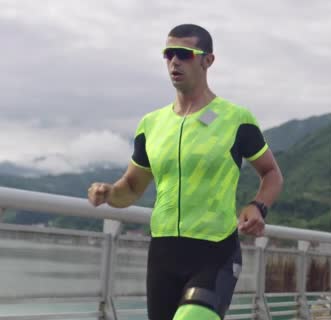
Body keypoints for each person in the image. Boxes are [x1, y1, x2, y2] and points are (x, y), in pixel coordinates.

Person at [87, 24, 283, 320]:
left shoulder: (236, 120)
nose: (174, 61)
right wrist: (109, 193)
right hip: (163, 255)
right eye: (168, 54)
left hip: (215, 252)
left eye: (184, 54)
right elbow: (131, 187)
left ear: (208, 60)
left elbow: (271, 173)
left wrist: (257, 206)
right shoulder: (151, 125)